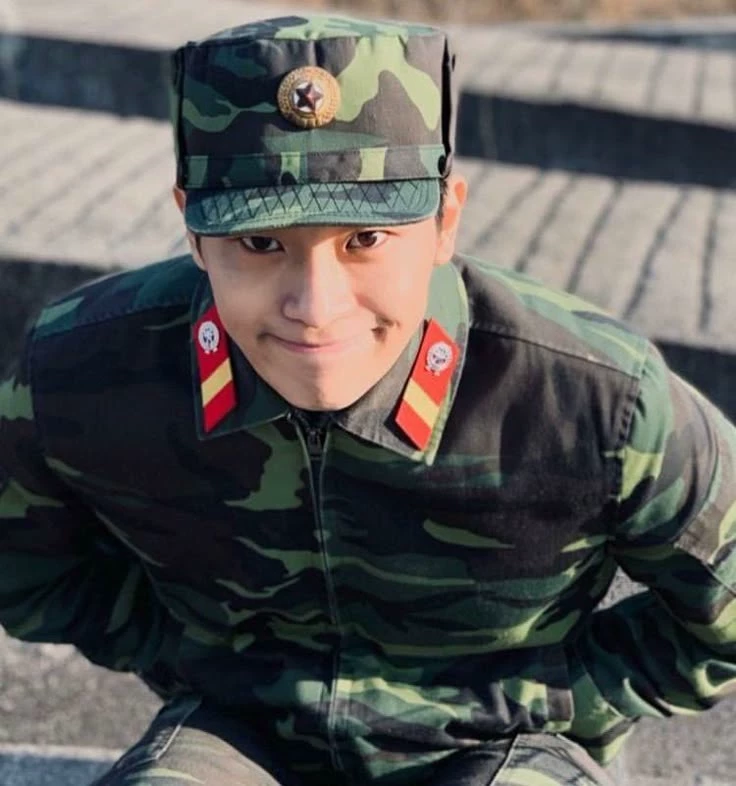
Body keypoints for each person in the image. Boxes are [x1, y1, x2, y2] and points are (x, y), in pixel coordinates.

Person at [1, 13, 735, 786]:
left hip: (499, 747)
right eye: (260, 243)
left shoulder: (592, 395)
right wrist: (183, 654)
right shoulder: (86, 365)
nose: (316, 308)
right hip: (237, 732)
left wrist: (554, 697)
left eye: (366, 240)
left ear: (445, 221)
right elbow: (22, 566)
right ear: (192, 229)